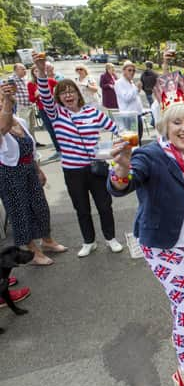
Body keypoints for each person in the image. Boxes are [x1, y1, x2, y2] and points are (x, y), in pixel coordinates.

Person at [108, 102, 184, 386]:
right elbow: (123, 183)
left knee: (183, 300)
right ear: (165, 126)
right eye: (177, 122)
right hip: (162, 245)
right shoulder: (150, 155)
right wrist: (122, 166)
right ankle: (183, 371)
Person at [33, 53, 123, 258]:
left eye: (70, 90)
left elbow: (117, 128)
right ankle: (88, 241)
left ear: (77, 92)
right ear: (59, 97)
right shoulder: (57, 114)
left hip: (96, 166)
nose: (67, 95)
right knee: (81, 208)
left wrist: (123, 143)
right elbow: (45, 95)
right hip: (72, 170)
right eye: (63, 92)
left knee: (104, 205)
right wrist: (40, 71)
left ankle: (111, 238)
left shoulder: (92, 112)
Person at [0, 82, 67, 265]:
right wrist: (6, 101)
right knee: (20, 212)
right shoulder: (3, 123)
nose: (4, 103)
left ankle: (47, 241)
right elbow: (3, 128)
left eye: (4, 100)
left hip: (29, 168)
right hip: (9, 174)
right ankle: (33, 251)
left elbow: (30, 149)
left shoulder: (19, 121)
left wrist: (38, 170)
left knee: (41, 207)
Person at [27, 66, 60, 160]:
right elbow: (31, 99)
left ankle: (66, 149)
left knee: (59, 128)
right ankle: (58, 151)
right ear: (33, 73)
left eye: (39, 70)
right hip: (42, 109)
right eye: (35, 71)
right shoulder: (31, 84)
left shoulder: (49, 80)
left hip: (54, 108)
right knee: (51, 130)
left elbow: (60, 87)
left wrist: (55, 95)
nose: (37, 72)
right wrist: (36, 95)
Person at [115, 61, 144, 142]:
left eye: (133, 71)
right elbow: (126, 98)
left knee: (138, 139)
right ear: (124, 71)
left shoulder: (130, 82)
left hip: (137, 115)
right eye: (129, 70)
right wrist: (136, 88)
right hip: (129, 116)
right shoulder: (119, 83)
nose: (132, 72)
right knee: (132, 141)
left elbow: (135, 98)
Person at [9, 63, 38, 145]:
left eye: (25, 69)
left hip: (30, 105)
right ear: (16, 71)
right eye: (23, 69)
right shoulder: (12, 80)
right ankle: (28, 143)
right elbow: (10, 93)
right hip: (22, 106)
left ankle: (34, 142)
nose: (25, 71)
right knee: (26, 126)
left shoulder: (25, 78)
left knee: (32, 126)